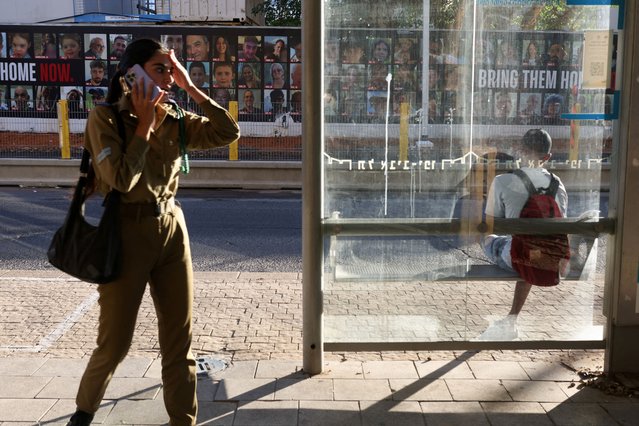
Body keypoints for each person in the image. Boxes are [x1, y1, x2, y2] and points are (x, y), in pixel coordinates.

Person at [65, 38, 240, 426]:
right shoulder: (106, 118)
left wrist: (192, 87)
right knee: (115, 345)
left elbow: (228, 132)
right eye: (161, 69)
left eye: (171, 69)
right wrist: (145, 124)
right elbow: (122, 180)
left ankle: (183, 421)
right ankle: (83, 413)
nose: (170, 78)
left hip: (172, 230)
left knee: (180, 344)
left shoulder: (175, 116)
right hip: (126, 233)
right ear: (132, 75)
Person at [480, 129, 567, 340]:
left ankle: (511, 321)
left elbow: (492, 224)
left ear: (520, 150)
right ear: (547, 157)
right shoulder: (558, 185)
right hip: (548, 258)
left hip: (517, 257)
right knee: (531, 247)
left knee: (488, 239)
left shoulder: (502, 181)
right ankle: (512, 318)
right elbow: (561, 224)